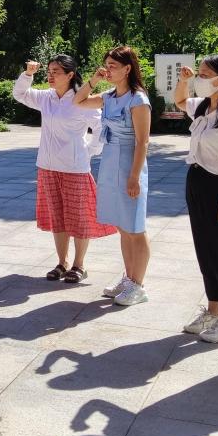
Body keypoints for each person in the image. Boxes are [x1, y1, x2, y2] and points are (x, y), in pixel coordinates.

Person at [14, 55, 116, 284]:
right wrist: (28, 74)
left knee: (79, 218)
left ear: (70, 75)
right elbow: (20, 94)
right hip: (47, 166)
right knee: (57, 217)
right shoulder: (46, 97)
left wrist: (90, 150)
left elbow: (100, 126)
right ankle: (62, 262)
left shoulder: (80, 100)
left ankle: (79, 265)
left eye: (56, 72)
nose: (50, 76)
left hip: (74, 168)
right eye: (49, 71)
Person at [174, 55, 218, 343]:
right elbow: (181, 101)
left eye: (205, 75)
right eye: (199, 74)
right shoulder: (204, 107)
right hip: (197, 180)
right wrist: (184, 81)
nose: (200, 79)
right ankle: (213, 311)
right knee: (205, 250)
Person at [74, 46, 152, 306]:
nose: (108, 70)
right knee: (122, 225)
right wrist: (93, 80)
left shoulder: (138, 100)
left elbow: (142, 142)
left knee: (135, 226)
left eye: (113, 66)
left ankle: (138, 285)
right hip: (109, 161)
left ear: (127, 68)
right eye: (106, 65)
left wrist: (134, 177)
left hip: (129, 161)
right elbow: (79, 102)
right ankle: (129, 278)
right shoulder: (108, 96)